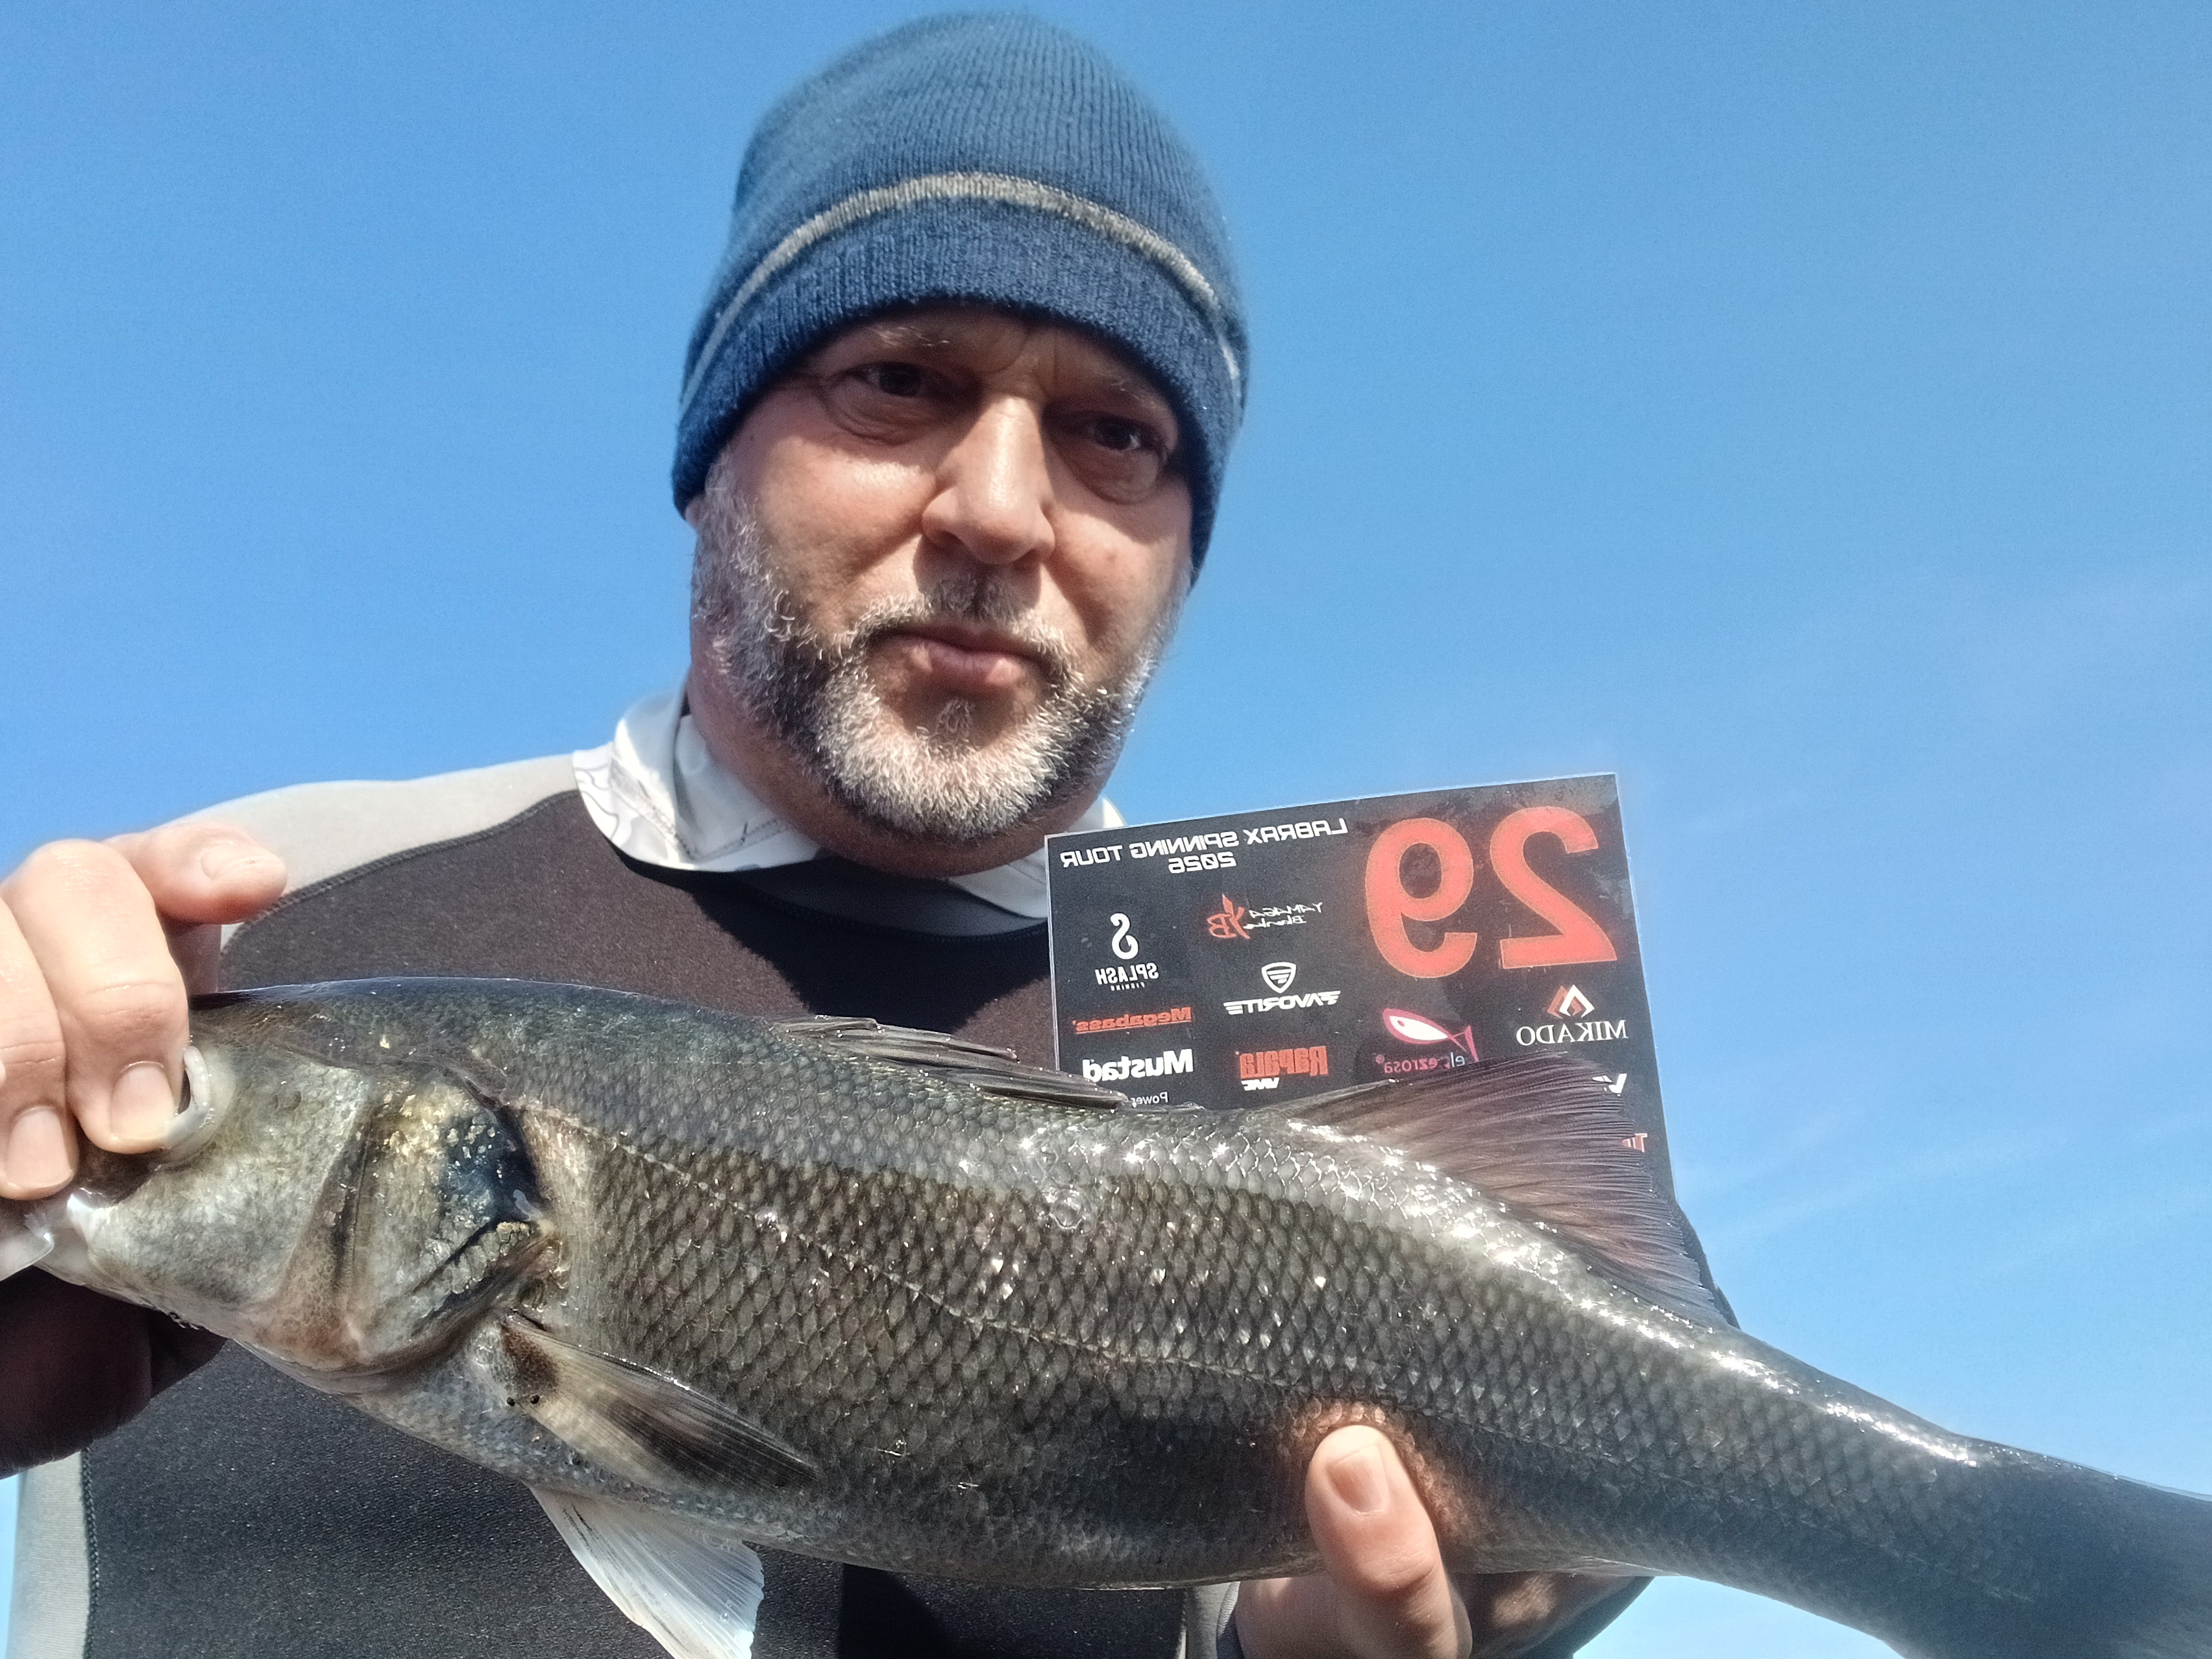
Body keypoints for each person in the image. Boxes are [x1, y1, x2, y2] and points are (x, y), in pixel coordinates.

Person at [0, 17, 1652, 1658]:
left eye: (1118, 433)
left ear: (1182, 548)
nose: (999, 508)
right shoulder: (243, 933)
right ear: (712, 448)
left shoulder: (1342, 1067)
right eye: (900, 382)